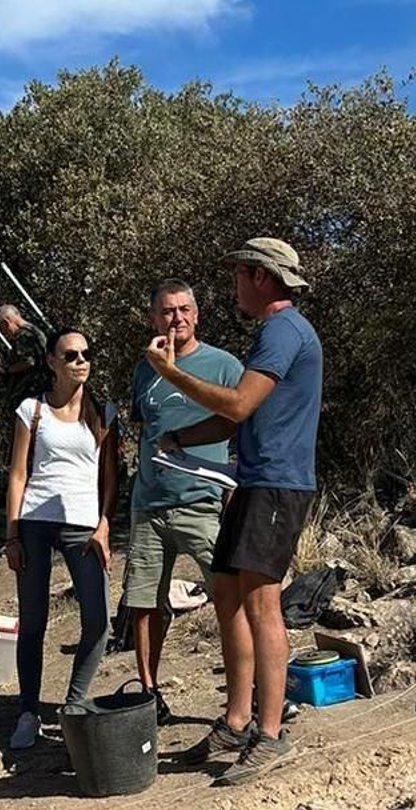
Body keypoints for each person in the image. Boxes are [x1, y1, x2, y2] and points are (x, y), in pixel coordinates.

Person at [144, 238, 322, 786]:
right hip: (253, 481)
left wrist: (170, 373)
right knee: (225, 589)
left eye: (238, 277)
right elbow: (237, 421)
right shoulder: (277, 333)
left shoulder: (282, 330)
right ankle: (238, 719)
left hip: (276, 484)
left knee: (262, 603)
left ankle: (270, 735)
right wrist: (181, 437)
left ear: (260, 277)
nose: (233, 289)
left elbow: (239, 404)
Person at [123, 279, 242, 723]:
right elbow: (143, 428)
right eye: (167, 311)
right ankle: (149, 696)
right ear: (154, 319)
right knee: (145, 602)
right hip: (149, 505)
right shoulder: (144, 370)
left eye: (184, 309)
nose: (177, 318)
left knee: (232, 598)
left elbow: (240, 427)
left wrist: (235, 493)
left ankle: (247, 693)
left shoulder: (224, 365)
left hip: (204, 501)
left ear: (197, 314)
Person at [4, 327, 118, 750]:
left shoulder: (103, 412)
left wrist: (104, 524)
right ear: (51, 361)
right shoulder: (31, 409)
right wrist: (12, 534)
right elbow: (18, 474)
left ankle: (73, 703)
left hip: (83, 524)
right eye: (70, 355)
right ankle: (28, 711)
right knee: (32, 622)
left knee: (98, 620)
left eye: (86, 354)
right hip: (35, 521)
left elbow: (110, 475)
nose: (81, 362)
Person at [0, 304, 48, 382]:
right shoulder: (34, 330)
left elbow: (28, 362)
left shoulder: (22, 335)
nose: (4, 333)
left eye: (2, 328)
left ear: (6, 323)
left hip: (32, 384)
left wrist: (8, 370)